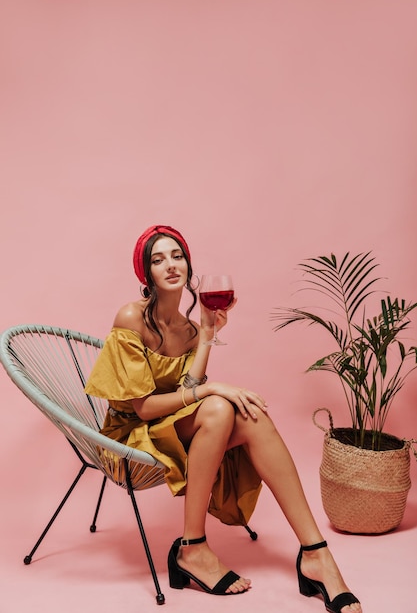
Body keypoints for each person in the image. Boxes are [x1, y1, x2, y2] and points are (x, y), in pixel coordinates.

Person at [84, 224, 362, 613]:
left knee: (251, 415)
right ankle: (193, 547)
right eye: (158, 259)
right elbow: (144, 408)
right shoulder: (132, 317)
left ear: (188, 264)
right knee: (218, 405)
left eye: (177, 255)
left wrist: (209, 334)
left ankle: (315, 553)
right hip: (131, 435)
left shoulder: (190, 328)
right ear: (145, 274)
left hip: (172, 427)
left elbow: (187, 386)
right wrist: (212, 390)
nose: (170, 265)